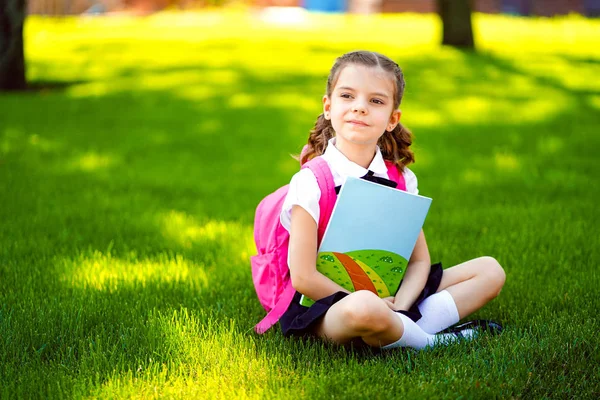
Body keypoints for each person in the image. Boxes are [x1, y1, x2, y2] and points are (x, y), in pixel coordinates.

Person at [278, 50, 506, 350]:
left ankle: (397, 329)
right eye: (348, 96)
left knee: (490, 270)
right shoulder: (311, 182)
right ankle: (429, 341)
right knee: (364, 307)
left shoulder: (401, 180)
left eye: (376, 101)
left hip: (392, 295)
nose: (360, 108)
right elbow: (304, 278)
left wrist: (399, 306)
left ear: (392, 119)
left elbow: (419, 261)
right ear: (328, 106)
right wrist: (373, 304)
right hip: (331, 306)